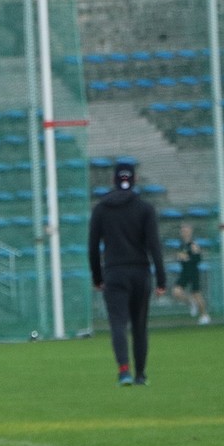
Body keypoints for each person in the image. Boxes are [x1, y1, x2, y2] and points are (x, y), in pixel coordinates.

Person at [88, 160, 166, 386]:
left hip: (114, 273)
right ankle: (140, 374)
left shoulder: (101, 209)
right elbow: (154, 246)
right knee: (139, 326)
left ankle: (124, 371)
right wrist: (161, 280)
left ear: (113, 180)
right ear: (135, 179)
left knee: (118, 324)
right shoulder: (145, 208)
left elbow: (93, 247)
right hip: (140, 273)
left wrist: (97, 277)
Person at [172, 223, 211, 325]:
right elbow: (179, 257)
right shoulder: (182, 245)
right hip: (184, 272)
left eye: (186, 230)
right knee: (176, 292)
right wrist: (179, 257)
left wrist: (188, 258)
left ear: (190, 232)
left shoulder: (194, 245)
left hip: (193, 272)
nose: (184, 232)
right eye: (183, 231)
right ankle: (191, 302)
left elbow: (198, 259)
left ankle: (204, 315)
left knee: (197, 294)